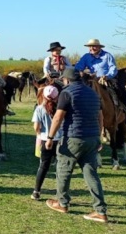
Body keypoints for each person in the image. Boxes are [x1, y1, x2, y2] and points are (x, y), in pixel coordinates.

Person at [44, 67, 109, 223]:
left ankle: (62, 203)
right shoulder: (93, 93)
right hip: (92, 138)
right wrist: (98, 135)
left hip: (73, 138)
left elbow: (58, 117)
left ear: (67, 80)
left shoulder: (66, 93)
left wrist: (50, 137)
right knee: (91, 174)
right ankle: (100, 211)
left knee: (63, 170)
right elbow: (100, 116)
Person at [74, 38, 126, 120]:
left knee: (121, 91)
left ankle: (123, 112)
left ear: (99, 47)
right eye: (90, 46)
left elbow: (113, 69)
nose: (91, 48)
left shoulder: (107, 56)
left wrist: (107, 76)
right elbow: (78, 67)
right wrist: (80, 71)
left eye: (94, 46)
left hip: (105, 79)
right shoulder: (86, 56)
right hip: (91, 80)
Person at [31, 84, 60, 200]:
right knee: (61, 168)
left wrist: (40, 134)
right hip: (60, 140)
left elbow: (36, 127)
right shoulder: (61, 109)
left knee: (43, 166)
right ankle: (61, 193)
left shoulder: (39, 109)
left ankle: (36, 191)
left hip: (45, 140)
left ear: (43, 96)